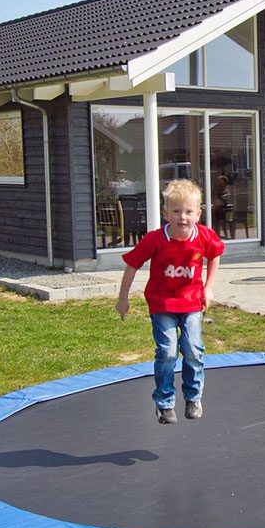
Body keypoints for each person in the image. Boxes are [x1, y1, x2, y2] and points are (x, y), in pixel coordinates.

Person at [115, 179, 225, 424]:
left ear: (198, 214)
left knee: (193, 349)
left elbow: (215, 254)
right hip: (162, 303)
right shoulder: (155, 239)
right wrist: (123, 299)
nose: (182, 217)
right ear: (166, 214)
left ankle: (193, 397)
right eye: (176, 211)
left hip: (191, 302)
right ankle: (164, 403)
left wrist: (208, 286)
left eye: (188, 212)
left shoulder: (204, 236)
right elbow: (132, 265)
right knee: (167, 351)